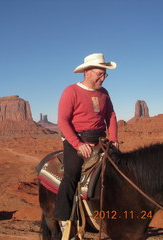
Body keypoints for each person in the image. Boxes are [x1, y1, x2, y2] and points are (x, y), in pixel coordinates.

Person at [53, 53, 119, 222]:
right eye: (100, 74)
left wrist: (114, 139)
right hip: (76, 139)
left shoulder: (104, 93)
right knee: (72, 174)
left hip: (100, 140)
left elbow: (110, 116)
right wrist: (78, 144)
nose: (103, 78)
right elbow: (62, 121)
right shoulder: (71, 91)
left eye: (105, 74)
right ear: (88, 72)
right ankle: (63, 218)